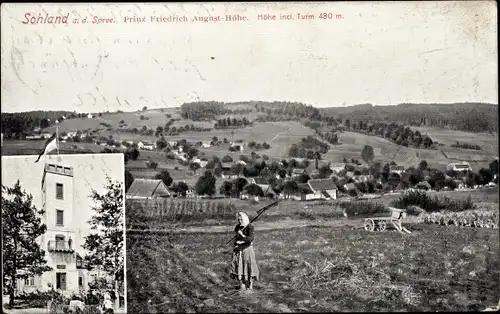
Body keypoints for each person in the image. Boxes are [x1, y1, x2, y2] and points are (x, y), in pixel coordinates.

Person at [230, 212, 260, 291]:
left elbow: (250, 239)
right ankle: (242, 286)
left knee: (249, 267)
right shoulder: (237, 227)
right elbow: (236, 239)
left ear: (245, 219)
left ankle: (250, 287)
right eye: (238, 220)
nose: (240, 221)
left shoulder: (250, 227)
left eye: (241, 219)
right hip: (239, 249)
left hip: (247, 249)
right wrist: (236, 243)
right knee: (239, 267)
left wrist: (242, 235)